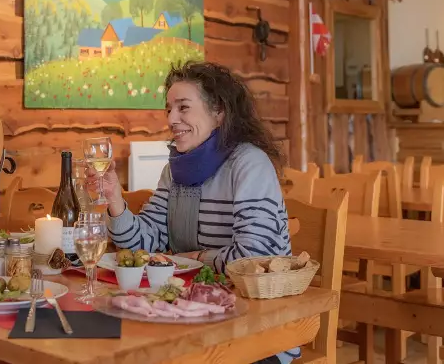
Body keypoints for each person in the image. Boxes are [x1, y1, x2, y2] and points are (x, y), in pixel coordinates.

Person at [90, 61, 297, 364]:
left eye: (183, 107)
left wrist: (190, 259)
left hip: (259, 330)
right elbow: (143, 248)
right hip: (190, 319)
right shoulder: (173, 171)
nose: (172, 118)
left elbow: (254, 260)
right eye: (169, 109)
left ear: (219, 112)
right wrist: (114, 199)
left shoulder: (249, 164)